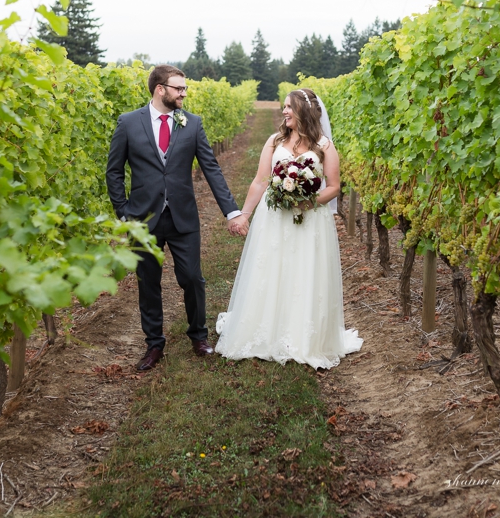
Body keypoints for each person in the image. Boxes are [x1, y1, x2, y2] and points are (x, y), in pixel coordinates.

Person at [105, 65, 245, 372]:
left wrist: (231, 210)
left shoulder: (192, 124)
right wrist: (124, 213)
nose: (184, 93)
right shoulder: (128, 123)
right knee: (148, 283)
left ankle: (198, 336)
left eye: (184, 88)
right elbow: (114, 171)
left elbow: (211, 168)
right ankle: (154, 344)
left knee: (193, 278)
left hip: (183, 216)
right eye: (178, 88)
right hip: (143, 219)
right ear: (160, 89)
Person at [213, 88, 364, 368]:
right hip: (274, 217)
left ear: (304, 111)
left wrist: (309, 202)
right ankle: (264, 329)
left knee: (304, 270)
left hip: (310, 218)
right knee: (271, 267)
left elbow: (333, 187)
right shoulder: (274, 141)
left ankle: (300, 335)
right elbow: (260, 181)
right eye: (283, 106)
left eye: (289, 107)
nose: (284, 112)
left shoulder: (325, 146)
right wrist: (244, 214)